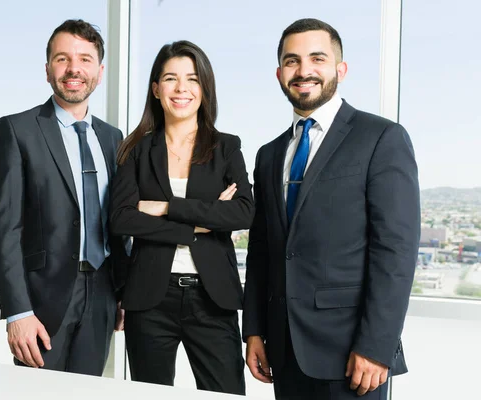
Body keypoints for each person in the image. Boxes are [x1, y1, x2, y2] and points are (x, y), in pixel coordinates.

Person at [242, 18, 420, 400]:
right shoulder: (269, 154)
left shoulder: (381, 139)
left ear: (340, 69)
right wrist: (254, 328)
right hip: (284, 351)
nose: (304, 70)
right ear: (279, 73)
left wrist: (376, 345)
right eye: (292, 61)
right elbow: (263, 250)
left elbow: (396, 252)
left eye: (317, 58)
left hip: (353, 356)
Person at [109, 40, 254, 395]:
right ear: (156, 89)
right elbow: (123, 220)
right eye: (170, 79)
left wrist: (164, 207)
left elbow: (243, 212)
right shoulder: (136, 150)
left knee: (226, 393)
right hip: (150, 300)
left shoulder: (226, 147)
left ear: (204, 88)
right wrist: (200, 224)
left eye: (192, 79)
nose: (181, 89)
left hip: (212, 298)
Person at [0, 19, 129, 376]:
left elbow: (119, 224)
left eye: (84, 59)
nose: (73, 69)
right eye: (62, 58)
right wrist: (17, 312)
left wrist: (124, 292)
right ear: (48, 69)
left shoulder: (114, 138)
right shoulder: (18, 130)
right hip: (42, 300)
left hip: (102, 295)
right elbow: (5, 228)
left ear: (99, 70)